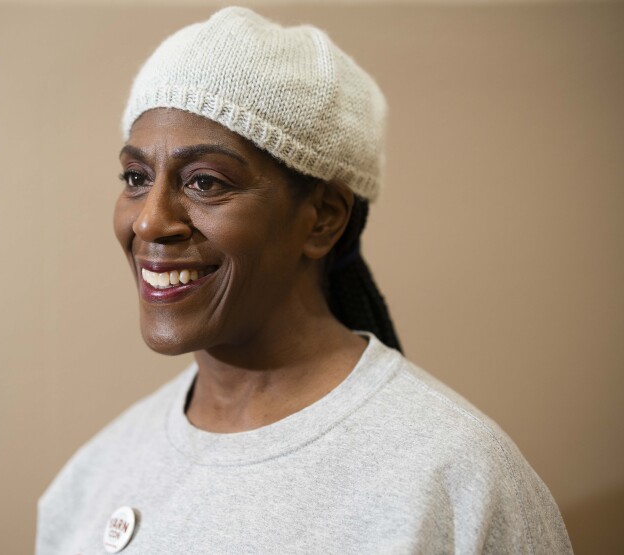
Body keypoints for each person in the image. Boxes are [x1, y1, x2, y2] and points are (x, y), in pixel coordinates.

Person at [37, 7, 572, 554]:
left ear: (323, 219)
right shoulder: (92, 479)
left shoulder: (457, 479)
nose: (149, 221)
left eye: (205, 182)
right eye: (136, 177)